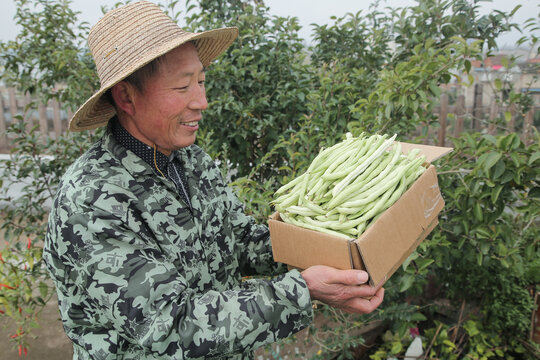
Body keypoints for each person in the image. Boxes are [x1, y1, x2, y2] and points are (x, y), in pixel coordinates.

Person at [43, 1, 384, 359]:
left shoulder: (192, 162)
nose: (202, 101)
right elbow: (171, 326)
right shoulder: (92, 201)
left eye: (202, 81)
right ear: (126, 96)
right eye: (182, 88)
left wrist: (338, 249)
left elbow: (241, 241)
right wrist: (302, 290)